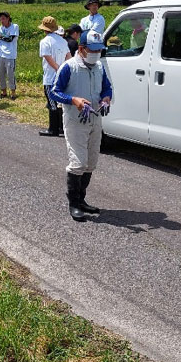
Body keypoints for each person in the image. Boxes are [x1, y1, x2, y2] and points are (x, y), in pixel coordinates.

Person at [49, 30, 113, 221]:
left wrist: (106, 98)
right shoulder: (69, 67)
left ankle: (82, 199)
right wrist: (73, 100)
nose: (96, 53)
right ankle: (74, 203)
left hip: (95, 119)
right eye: (92, 50)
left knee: (91, 163)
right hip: (76, 121)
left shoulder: (99, 66)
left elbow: (107, 87)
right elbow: (54, 92)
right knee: (78, 163)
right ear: (82, 49)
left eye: (99, 50)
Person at [38, 16, 71, 137]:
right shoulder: (63, 41)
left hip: (50, 76)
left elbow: (48, 58)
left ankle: (53, 128)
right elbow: (69, 57)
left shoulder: (45, 41)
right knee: (60, 102)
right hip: (62, 77)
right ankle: (61, 127)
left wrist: (58, 69)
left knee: (52, 103)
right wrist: (65, 70)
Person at [0, 11, 20, 99]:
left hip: (10, 55)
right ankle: (3, 92)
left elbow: (10, 39)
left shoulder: (14, 27)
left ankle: (13, 92)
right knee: (1, 74)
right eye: (0, 19)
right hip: (0, 55)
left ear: (8, 18)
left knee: (10, 74)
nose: (2, 21)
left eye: (3, 19)